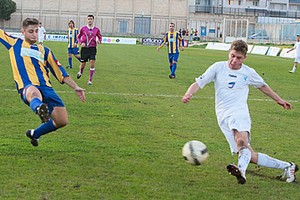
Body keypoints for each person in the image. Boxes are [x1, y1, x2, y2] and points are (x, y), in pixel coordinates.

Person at [181, 40, 298, 184]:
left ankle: (241, 171)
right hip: (222, 116)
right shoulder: (218, 67)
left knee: (241, 141)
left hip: (239, 112)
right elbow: (198, 83)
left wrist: (278, 100)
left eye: (238, 58)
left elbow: (263, 86)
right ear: (229, 52)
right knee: (249, 154)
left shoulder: (248, 72)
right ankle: (288, 166)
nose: (234, 60)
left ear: (244, 58)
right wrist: (188, 94)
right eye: (232, 56)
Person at [0, 18, 86, 147]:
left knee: (62, 121)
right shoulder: (14, 44)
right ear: (22, 32)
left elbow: (61, 72)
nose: (34, 34)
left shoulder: (45, 51)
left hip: (47, 88)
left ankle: (34, 133)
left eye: (36, 31)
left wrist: (75, 86)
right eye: (30, 31)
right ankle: (39, 108)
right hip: (27, 86)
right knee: (34, 92)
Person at [77, 14, 102, 85]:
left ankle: (90, 80)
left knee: (92, 64)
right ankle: (80, 71)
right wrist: (81, 42)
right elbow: (79, 37)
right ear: (87, 20)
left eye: (91, 19)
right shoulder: (83, 28)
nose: (90, 20)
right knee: (83, 64)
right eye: (88, 19)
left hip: (92, 49)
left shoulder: (96, 29)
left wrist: (99, 41)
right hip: (84, 49)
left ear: (93, 20)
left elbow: (100, 37)